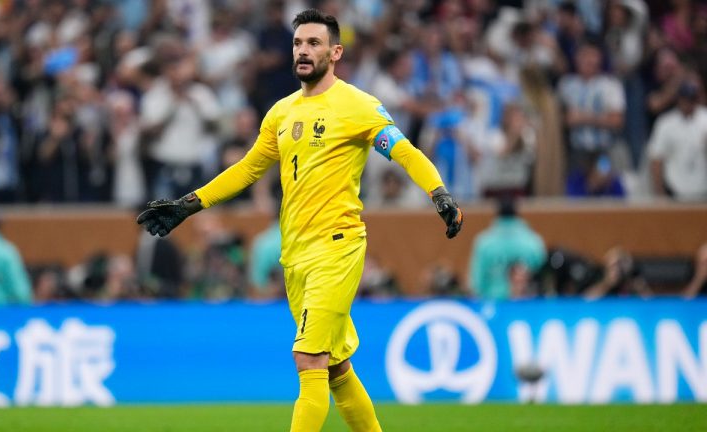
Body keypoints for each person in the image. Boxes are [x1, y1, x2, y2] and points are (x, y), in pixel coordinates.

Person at [136, 9, 463, 432]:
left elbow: (403, 150)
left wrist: (438, 192)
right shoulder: (281, 112)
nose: (303, 51)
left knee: (308, 359)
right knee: (336, 368)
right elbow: (248, 168)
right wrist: (187, 205)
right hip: (296, 254)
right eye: (297, 44)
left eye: (313, 43)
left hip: (337, 246)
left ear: (336, 51)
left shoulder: (358, 105)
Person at [468, 197, 546, 300]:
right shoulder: (534, 241)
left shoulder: (484, 243)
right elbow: (543, 277)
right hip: (526, 306)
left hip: (493, 304)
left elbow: (476, 283)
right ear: (516, 214)